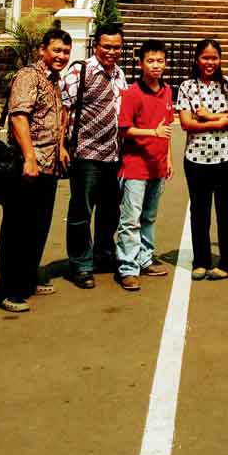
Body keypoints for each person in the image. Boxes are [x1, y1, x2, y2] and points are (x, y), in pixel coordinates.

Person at [0, 27, 72, 313]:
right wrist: (29, 157)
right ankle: (9, 289)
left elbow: (56, 119)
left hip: (49, 165)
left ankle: (27, 279)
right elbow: (19, 118)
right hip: (29, 165)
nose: (61, 56)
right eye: (56, 50)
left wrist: (61, 146)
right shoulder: (30, 76)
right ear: (42, 50)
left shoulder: (54, 81)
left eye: (65, 52)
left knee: (39, 226)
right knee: (18, 227)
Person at [60, 22, 129, 289]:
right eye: (107, 46)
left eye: (117, 47)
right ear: (96, 45)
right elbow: (64, 111)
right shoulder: (81, 71)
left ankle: (103, 254)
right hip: (85, 153)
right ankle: (81, 264)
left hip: (113, 155)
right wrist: (61, 147)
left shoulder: (120, 75)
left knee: (110, 212)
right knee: (81, 211)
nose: (111, 52)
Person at [177, 37, 228, 281]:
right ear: (197, 60)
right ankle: (201, 261)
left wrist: (210, 117)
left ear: (220, 59)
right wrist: (222, 122)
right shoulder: (187, 86)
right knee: (200, 211)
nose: (210, 62)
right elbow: (187, 124)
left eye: (214, 58)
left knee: (227, 211)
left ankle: (227, 262)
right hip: (197, 158)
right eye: (205, 58)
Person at [114, 40, 175, 292]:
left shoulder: (168, 91)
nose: (156, 65)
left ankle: (144, 258)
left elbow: (167, 130)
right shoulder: (132, 93)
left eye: (160, 60)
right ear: (140, 64)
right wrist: (153, 131)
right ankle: (127, 267)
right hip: (135, 167)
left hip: (157, 166)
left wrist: (168, 158)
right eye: (150, 60)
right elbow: (124, 129)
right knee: (131, 220)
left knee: (149, 217)